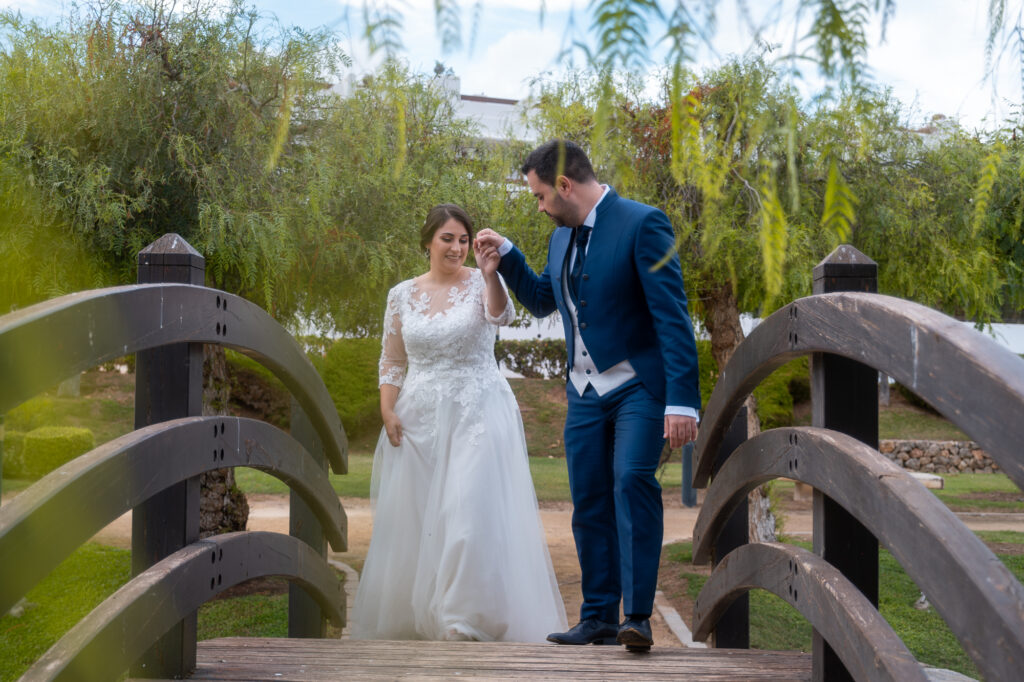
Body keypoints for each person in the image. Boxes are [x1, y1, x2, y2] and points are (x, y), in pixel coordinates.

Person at [475, 140, 701, 652]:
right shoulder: (560, 240)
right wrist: (506, 257)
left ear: (564, 185)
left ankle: (636, 618)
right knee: (589, 500)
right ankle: (598, 616)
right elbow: (541, 301)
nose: (539, 206)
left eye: (539, 196)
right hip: (582, 392)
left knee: (631, 481)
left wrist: (682, 400)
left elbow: (672, 316)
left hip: (637, 387)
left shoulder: (643, 223)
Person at [351, 203, 567, 642]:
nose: (456, 247)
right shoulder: (401, 295)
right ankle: (416, 616)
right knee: (417, 520)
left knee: (466, 513)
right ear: (428, 242)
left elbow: (501, 316)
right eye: (447, 239)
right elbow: (392, 360)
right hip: (419, 418)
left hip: (476, 411)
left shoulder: (483, 281)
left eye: (464, 240)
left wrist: (490, 274)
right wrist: (387, 409)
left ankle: (464, 621)